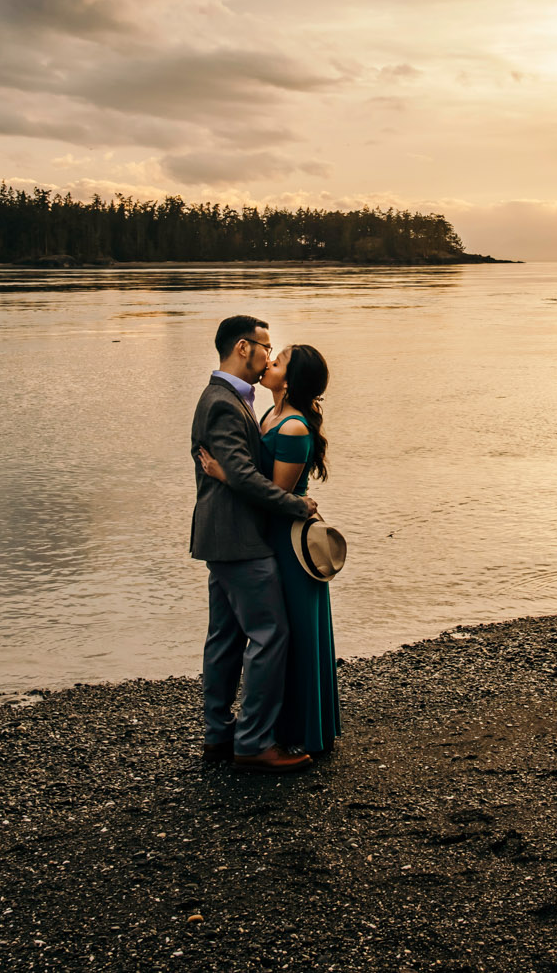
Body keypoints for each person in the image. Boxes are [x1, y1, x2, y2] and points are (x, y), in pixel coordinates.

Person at [189, 315, 318, 773]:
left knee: (225, 639)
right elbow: (242, 475)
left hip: (223, 538)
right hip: (239, 539)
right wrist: (296, 507)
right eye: (266, 347)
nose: (269, 354)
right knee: (269, 635)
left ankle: (218, 736)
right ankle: (254, 743)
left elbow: (237, 472)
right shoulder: (223, 401)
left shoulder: (233, 398)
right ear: (243, 348)